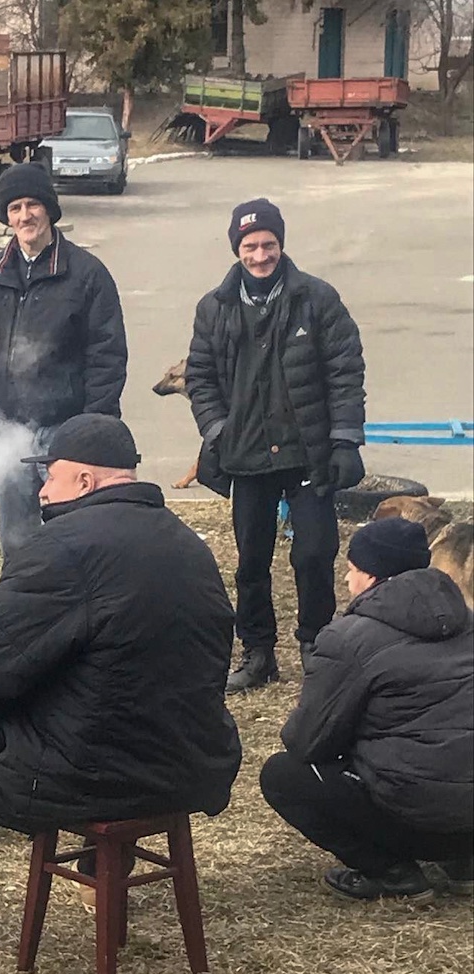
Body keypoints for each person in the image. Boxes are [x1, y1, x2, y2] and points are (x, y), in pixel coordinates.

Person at [0, 413, 242, 943]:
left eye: (50, 475)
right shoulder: (186, 542)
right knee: (97, 698)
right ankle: (99, 873)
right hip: (188, 761)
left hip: (96, 775)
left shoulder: (64, 550)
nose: (42, 488)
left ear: (84, 481)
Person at [186, 198, 366, 693]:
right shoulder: (214, 308)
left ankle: (316, 645)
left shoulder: (318, 299)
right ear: (236, 250)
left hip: (307, 452)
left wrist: (345, 440)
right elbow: (199, 377)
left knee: (313, 553)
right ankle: (258, 652)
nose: (260, 255)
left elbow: (346, 373)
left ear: (281, 244)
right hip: (245, 454)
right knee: (251, 562)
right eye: (250, 246)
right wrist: (216, 431)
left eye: (268, 244)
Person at [260, 517, 474, 902]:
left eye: (352, 569)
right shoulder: (468, 621)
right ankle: (463, 861)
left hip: (411, 814)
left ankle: (392, 872)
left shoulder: (349, 639)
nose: (346, 580)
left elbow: (307, 742)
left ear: (372, 577)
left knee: (283, 775)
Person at [0, 163, 128, 559]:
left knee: (73, 538)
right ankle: (24, 612)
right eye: (14, 208)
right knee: (17, 541)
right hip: (6, 434)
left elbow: (107, 357)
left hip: (63, 432)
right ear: (5, 217)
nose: (24, 215)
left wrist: (94, 429)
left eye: (33, 205)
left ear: (49, 209)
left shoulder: (87, 275)